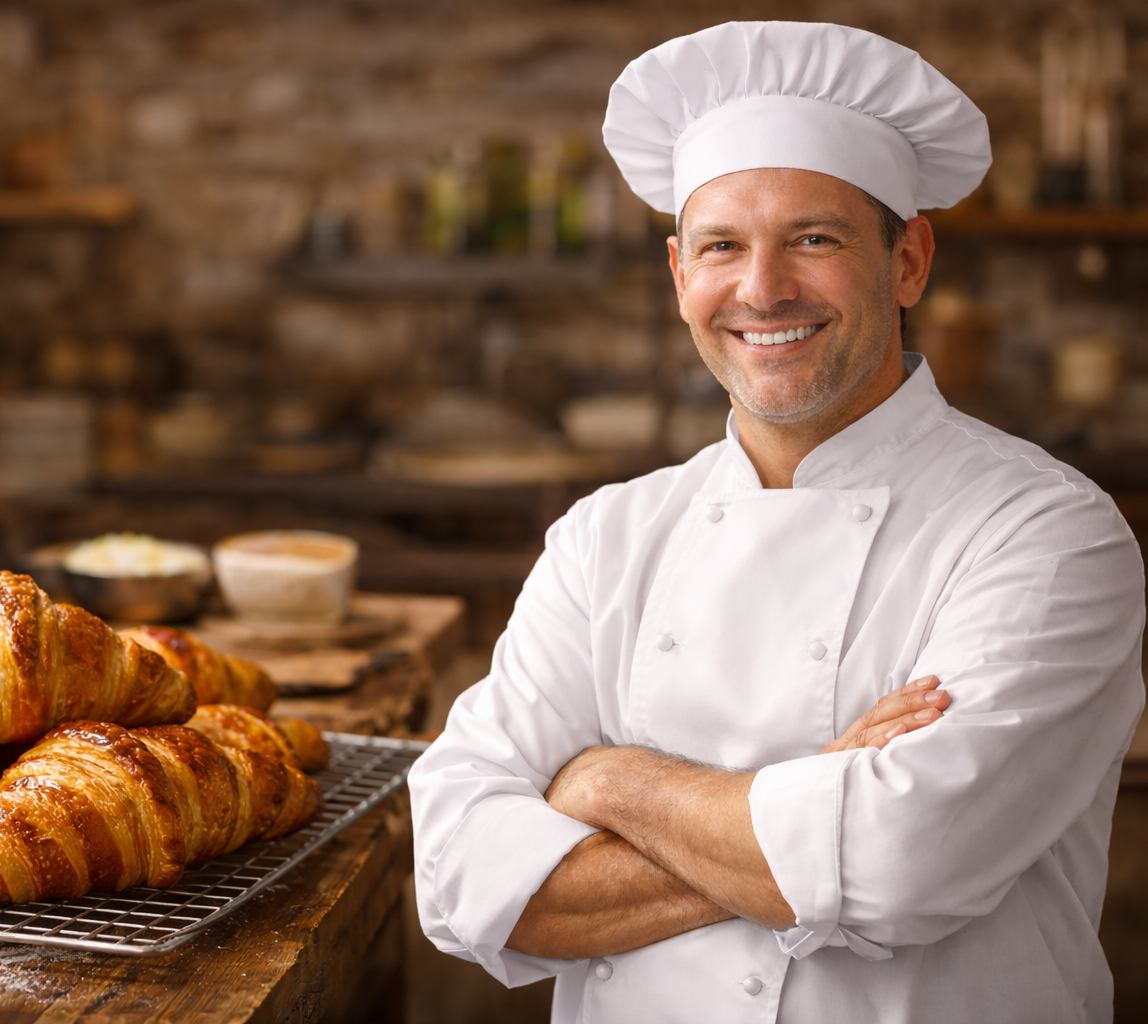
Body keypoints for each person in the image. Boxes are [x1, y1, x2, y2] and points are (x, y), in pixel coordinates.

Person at [409, 21, 1145, 1024]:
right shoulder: (604, 538)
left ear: (909, 262)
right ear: (680, 276)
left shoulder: (1046, 534)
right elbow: (457, 875)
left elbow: (899, 862)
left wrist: (610, 781)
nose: (761, 289)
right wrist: (814, 799)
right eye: (722, 245)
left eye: (815, 238)